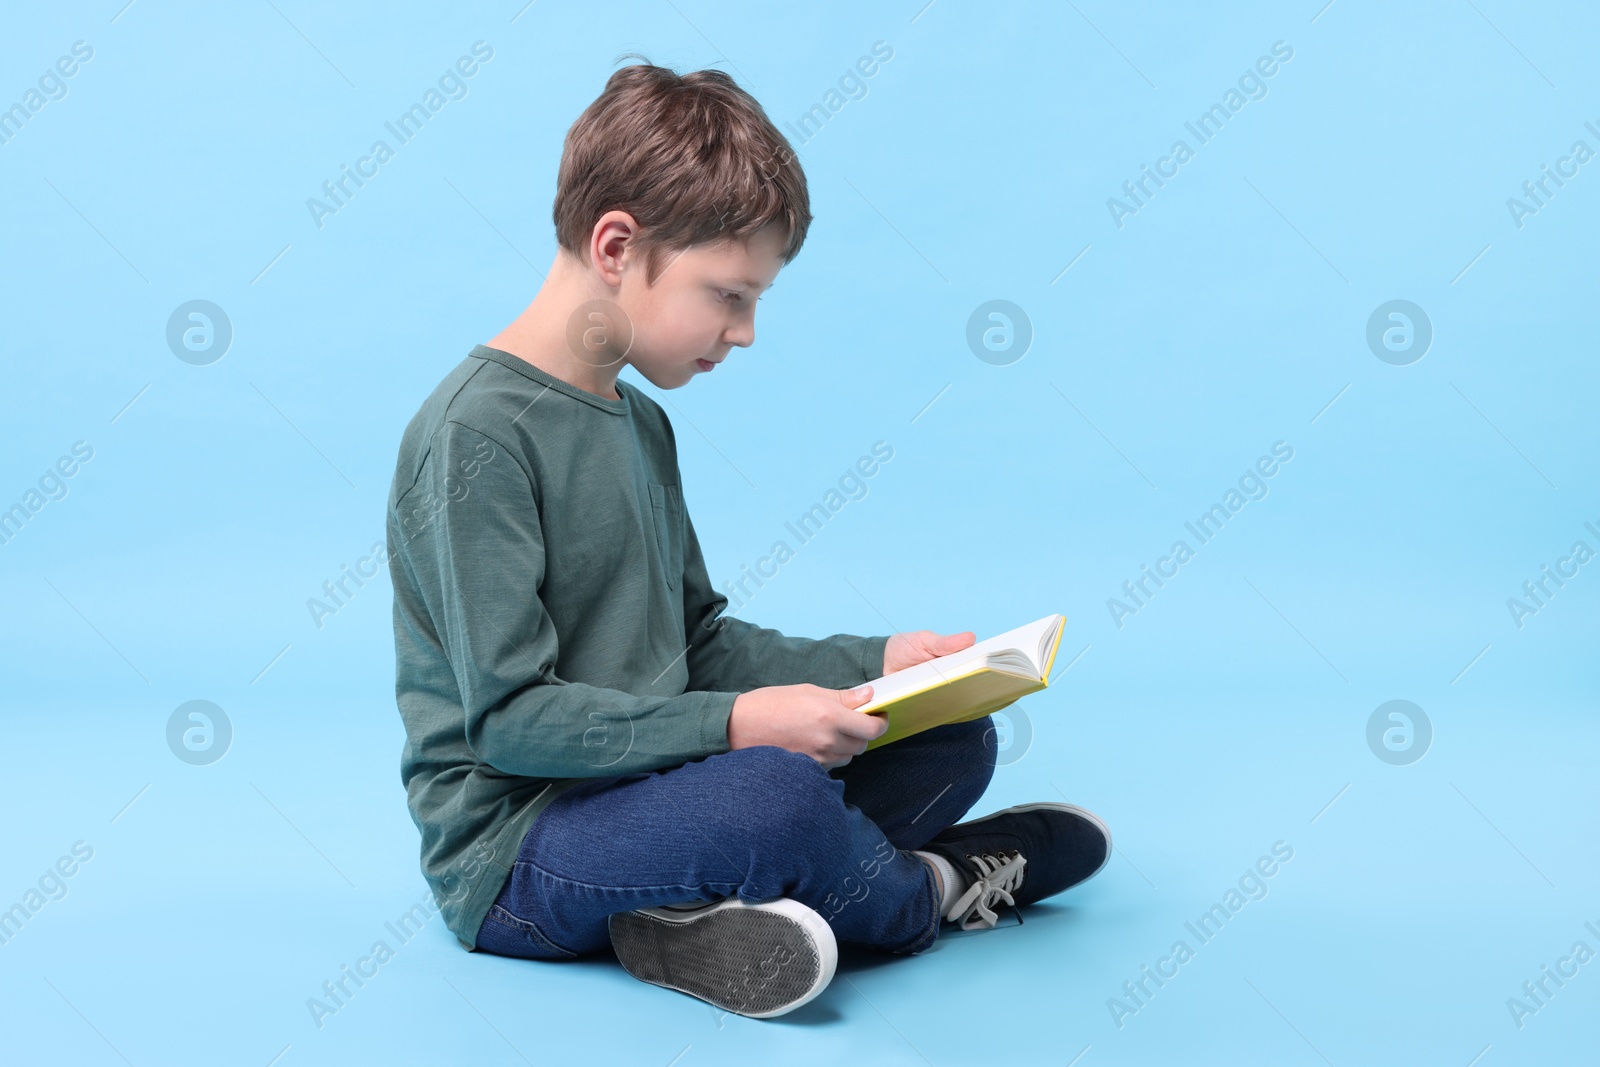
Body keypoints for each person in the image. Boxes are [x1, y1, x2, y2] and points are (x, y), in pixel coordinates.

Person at [384, 59, 1111, 1020]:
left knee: (951, 736)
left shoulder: (639, 424)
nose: (748, 330)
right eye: (729, 294)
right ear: (616, 246)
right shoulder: (476, 436)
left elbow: (701, 644)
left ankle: (689, 920)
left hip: (655, 786)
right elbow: (512, 721)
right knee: (778, 795)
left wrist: (880, 663)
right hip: (524, 847)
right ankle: (929, 890)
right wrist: (737, 728)